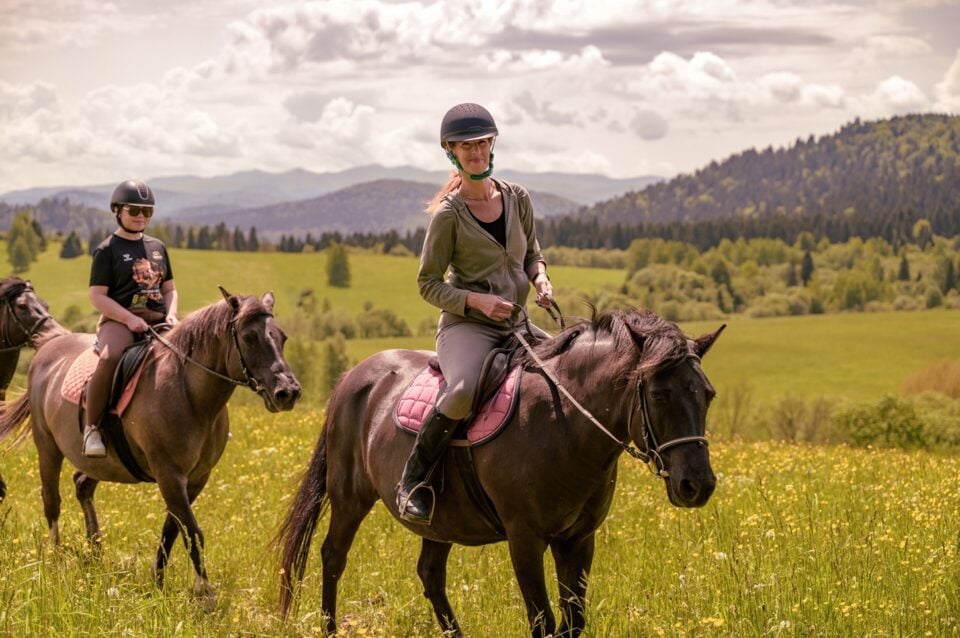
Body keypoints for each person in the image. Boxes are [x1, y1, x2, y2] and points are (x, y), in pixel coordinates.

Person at [396, 103, 554, 524]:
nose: (476, 152)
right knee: (464, 389)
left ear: (492, 145)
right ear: (451, 152)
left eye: (482, 143)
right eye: (466, 146)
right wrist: (476, 301)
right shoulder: (449, 215)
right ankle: (413, 479)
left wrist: (541, 279)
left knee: (564, 371)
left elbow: (532, 254)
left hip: (517, 323)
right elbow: (427, 283)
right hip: (468, 327)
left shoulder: (517, 198)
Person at [82, 180, 178, 457]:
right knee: (110, 358)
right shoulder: (107, 250)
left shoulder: (158, 246)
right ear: (117, 210)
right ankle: (92, 429)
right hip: (119, 321)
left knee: (196, 350)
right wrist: (127, 319)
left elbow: (169, 289)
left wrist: (172, 315)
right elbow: (97, 296)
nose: (141, 216)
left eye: (147, 211)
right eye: (134, 210)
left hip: (159, 319)